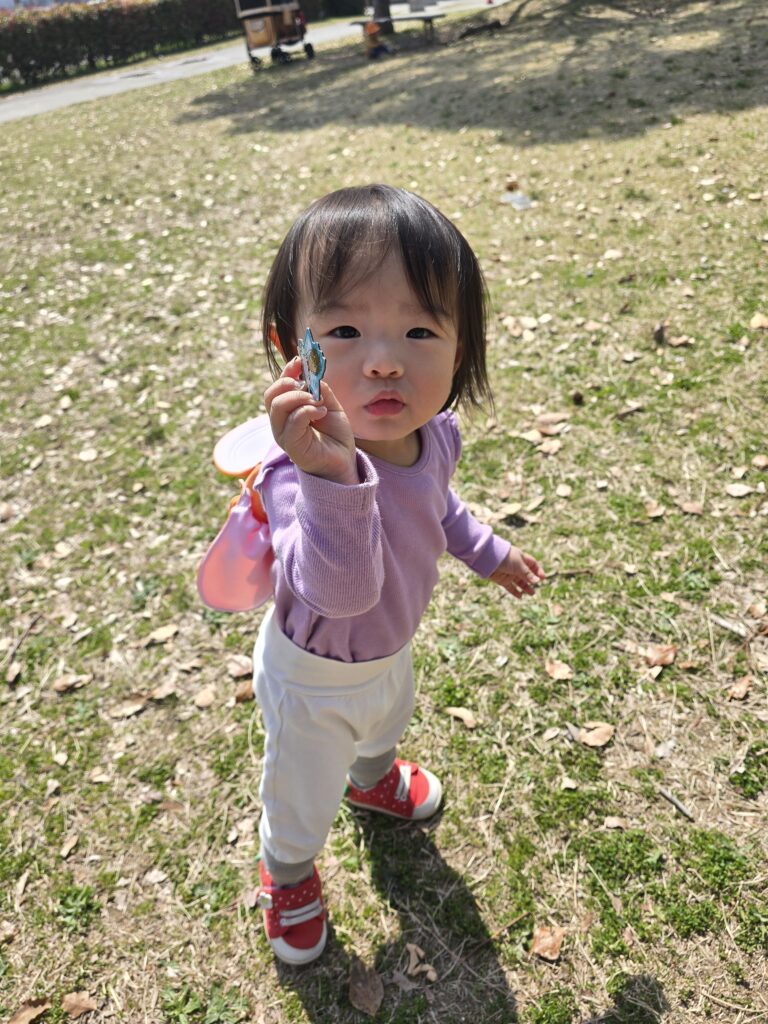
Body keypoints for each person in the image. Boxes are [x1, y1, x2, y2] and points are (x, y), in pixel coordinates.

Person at [250, 184, 545, 965]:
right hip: (313, 681)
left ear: (462, 347)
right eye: (344, 330)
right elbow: (342, 592)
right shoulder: (294, 476)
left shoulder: (434, 435)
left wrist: (491, 552)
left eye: (420, 329)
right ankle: (287, 872)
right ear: (293, 347)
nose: (384, 359)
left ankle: (372, 780)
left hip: (390, 652)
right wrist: (333, 476)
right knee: (300, 795)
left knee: (384, 726)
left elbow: (439, 509)